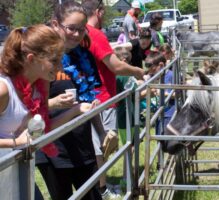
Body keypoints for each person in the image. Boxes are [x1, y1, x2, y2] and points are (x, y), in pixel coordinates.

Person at [0, 24, 95, 199]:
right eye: (54, 60)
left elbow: (41, 131)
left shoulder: (39, 85)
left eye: (61, 59)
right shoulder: (3, 89)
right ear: (31, 59)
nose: (60, 67)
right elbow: (22, 139)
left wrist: (75, 110)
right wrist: (15, 142)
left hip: (18, 170)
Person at [36, 1, 104, 200]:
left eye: (81, 29)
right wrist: (55, 103)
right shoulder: (40, 60)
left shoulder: (85, 56)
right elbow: (26, 107)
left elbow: (89, 99)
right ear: (55, 25)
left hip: (82, 145)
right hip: (53, 149)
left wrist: (102, 133)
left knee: (92, 196)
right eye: (71, 28)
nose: (76, 34)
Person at [82, 0, 144, 198]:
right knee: (103, 145)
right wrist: (137, 71)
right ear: (99, 12)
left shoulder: (79, 34)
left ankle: (100, 186)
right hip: (101, 98)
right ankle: (102, 188)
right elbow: (116, 66)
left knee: (98, 145)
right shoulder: (95, 34)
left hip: (87, 97)